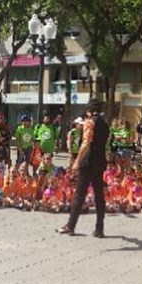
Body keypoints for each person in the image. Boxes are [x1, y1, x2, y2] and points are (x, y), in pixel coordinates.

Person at [58, 99, 110, 238]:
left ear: (89, 110)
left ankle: (70, 225)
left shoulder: (89, 122)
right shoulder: (105, 124)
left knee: (79, 194)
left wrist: (77, 161)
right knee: (99, 195)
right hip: (100, 162)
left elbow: (86, 143)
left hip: (87, 162)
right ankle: (99, 228)